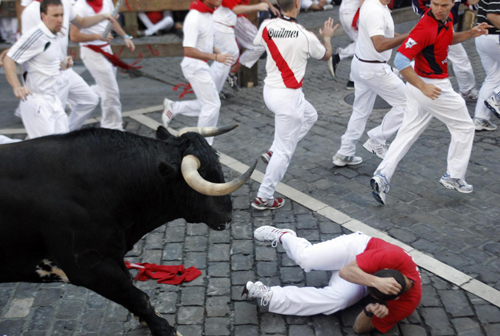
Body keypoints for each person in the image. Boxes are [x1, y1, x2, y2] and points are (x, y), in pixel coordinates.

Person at [370, 0, 491, 205]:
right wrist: (422, 86)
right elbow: (400, 61)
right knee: (464, 126)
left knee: (407, 132)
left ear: (452, 4)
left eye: (444, 5)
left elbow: (447, 38)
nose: (438, 9)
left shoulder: (447, 17)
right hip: (432, 87)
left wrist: (471, 33)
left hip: (422, 87)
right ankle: (453, 175)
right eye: (435, 4)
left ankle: (381, 176)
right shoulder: (424, 27)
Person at [242, 227, 422, 334]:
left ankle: (270, 295)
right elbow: (346, 271)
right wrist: (374, 281)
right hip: (357, 248)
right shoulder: (393, 257)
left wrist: (369, 311)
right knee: (307, 259)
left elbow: (358, 330)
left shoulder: (406, 305)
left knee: (338, 300)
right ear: (383, 270)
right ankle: (285, 236)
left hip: (365, 274)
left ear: (395, 299)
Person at [251, 0, 337, 210]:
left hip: (270, 92)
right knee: (284, 152)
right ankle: (264, 196)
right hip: (288, 98)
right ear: (297, 4)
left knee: (310, 116)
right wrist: (326, 37)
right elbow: (327, 55)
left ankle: (272, 151)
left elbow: (257, 43)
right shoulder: (306, 36)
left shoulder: (267, 26)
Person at [332, 0, 409, 166]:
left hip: (362, 65)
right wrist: (408, 37)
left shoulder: (374, 5)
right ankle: (377, 140)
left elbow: (384, 34)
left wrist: (408, 40)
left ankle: (345, 152)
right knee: (408, 104)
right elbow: (380, 44)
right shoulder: (374, 9)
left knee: (360, 111)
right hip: (373, 69)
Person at [21, 0, 113, 131]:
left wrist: (103, 16)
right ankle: (60, 139)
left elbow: (81, 22)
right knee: (54, 122)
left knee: (89, 100)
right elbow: (28, 46)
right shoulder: (31, 11)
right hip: (46, 76)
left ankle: (66, 136)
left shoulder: (64, 4)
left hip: (65, 69)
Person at [161, 0, 234, 146]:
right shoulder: (194, 17)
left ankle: (175, 107)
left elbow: (204, 39)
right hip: (194, 67)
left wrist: (216, 51)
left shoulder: (207, 14)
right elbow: (188, 50)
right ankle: (201, 145)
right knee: (212, 105)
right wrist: (215, 57)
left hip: (200, 65)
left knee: (207, 103)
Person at [3, 0, 74, 139]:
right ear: (43, 16)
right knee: (46, 154)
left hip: (54, 100)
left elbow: (45, 62)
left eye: (62, 15)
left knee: (63, 148)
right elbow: (9, 59)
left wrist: (63, 64)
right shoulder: (36, 35)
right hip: (37, 103)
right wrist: (17, 86)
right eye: (55, 15)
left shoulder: (55, 34)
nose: (60, 20)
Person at [70, 0, 136, 131]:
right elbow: (74, 36)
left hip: (106, 50)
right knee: (111, 91)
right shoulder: (79, 7)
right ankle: (112, 126)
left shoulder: (106, 1)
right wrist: (97, 36)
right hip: (91, 52)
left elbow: (112, 20)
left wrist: (125, 36)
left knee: (104, 88)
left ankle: (75, 96)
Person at [412, 0, 479, 102]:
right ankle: (467, 91)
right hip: (435, 24)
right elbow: (417, 6)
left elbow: (472, 5)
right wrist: (433, 16)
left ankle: (405, 70)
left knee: (431, 55)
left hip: (445, 24)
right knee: (459, 58)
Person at [211, 0, 270, 94]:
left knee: (230, 57)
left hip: (225, 25)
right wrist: (257, 7)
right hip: (221, 25)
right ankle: (210, 93)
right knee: (223, 62)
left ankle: (214, 91)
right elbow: (235, 9)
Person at [227, 0, 280, 91]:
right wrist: (257, 7)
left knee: (233, 51)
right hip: (233, 17)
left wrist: (270, 6)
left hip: (236, 17)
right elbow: (234, 9)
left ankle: (230, 72)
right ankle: (230, 72)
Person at [473, 0, 500, 131]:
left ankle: (481, 118)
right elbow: (492, 15)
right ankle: (497, 97)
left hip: (483, 37)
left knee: (493, 77)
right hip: (495, 37)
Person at [328, 0, 362, 89]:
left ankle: (339, 56)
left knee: (361, 43)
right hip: (353, 14)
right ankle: (352, 80)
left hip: (345, 12)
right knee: (363, 44)